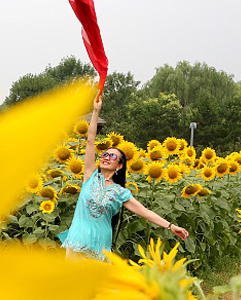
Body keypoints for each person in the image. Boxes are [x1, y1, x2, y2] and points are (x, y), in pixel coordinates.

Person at [59, 94, 189, 261]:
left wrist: (171, 226)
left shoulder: (120, 192)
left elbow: (145, 212)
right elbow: (90, 141)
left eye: (112, 156)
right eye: (105, 154)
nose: (106, 157)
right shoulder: (90, 176)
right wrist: (96, 111)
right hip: (77, 242)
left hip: (100, 246)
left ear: (120, 166)